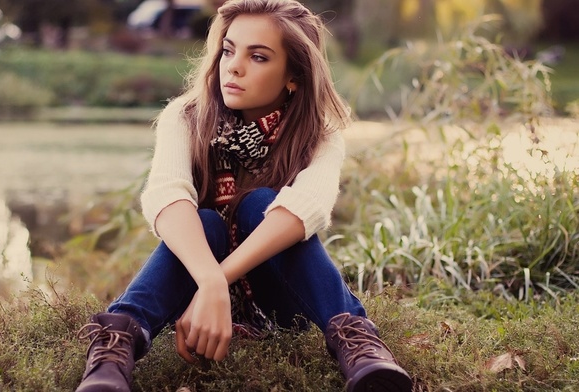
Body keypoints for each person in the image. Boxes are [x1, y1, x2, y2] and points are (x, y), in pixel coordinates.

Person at [75, 0, 413, 391]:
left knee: (261, 205)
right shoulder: (185, 116)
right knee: (203, 223)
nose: (233, 66)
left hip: (280, 299)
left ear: (294, 75)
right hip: (194, 288)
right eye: (229, 50)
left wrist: (219, 279)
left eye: (259, 56)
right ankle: (115, 348)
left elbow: (307, 209)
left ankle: (359, 344)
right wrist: (211, 282)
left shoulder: (319, 132)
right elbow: (167, 198)